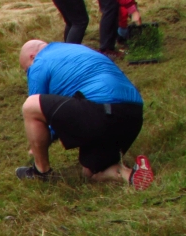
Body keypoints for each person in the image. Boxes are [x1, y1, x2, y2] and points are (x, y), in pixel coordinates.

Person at [17, 39, 154, 190]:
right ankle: (132, 176)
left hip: (101, 111)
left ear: (31, 56)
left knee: (30, 106)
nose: (29, 74)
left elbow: (39, 108)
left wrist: (39, 144)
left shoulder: (39, 62)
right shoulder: (79, 49)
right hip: (132, 115)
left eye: (26, 70)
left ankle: (40, 172)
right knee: (91, 171)